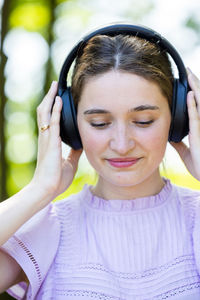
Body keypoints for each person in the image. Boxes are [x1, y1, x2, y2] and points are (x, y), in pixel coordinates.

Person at [0, 27, 200, 300]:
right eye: (100, 123)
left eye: (143, 121)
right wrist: (39, 190)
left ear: (179, 118)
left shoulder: (195, 219)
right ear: (70, 125)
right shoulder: (49, 229)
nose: (121, 144)